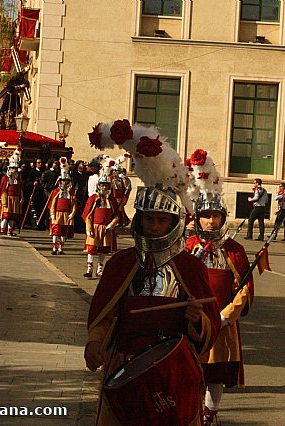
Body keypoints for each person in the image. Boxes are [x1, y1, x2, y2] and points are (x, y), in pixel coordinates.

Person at [84, 119, 220, 425]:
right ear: (139, 220)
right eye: (150, 219)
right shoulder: (121, 264)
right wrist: (94, 343)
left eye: (162, 220)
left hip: (174, 369)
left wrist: (197, 321)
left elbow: (208, 330)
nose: (155, 226)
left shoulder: (190, 267)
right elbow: (104, 316)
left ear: (174, 223)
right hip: (125, 365)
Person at [184, 149, 254, 426]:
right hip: (192, 319)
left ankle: (211, 412)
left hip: (223, 321)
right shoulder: (188, 248)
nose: (211, 221)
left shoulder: (234, 250)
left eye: (216, 216)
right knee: (192, 369)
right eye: (206, 216)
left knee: (217, 372)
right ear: (197, 218)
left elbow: (244, 286)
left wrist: (227, 315)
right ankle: (192, 411)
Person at [81, 159, 119, 278]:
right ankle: (89, 269)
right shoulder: (93, 198)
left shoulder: (111, 200)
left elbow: (116, 216)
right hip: (94, 227)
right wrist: (88, 228)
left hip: (106, 228)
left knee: (103, 249)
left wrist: (111, 225)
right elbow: (88, 215)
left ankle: (100, 269)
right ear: (99, 186)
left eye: (106, 186)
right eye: (102, 185)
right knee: (91, 248)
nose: (104, 187)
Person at [48, 158, 77, 255]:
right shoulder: (56, 191)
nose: (64, 182)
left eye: (66, 181)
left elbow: (73, 204)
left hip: (66, 214)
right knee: (56, 231)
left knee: (64, 232)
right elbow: (53, 204)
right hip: (57, 214)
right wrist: (52, 214)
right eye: (63, 181)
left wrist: (72, 213)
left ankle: (61, 248)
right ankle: (54, 248)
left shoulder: (71, 192)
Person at [0, 150, 24, 236]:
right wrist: (4, 201)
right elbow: (3, 190)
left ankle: (10, 231)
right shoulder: (5, 178)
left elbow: (20, 189)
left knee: (12, 217)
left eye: (15, 169)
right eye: (12, 168)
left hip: (15, 199)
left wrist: (21, 198)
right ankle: (2, 230)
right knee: (6, 216)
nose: (14, 170)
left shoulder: (18, 179)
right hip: (7, 198)